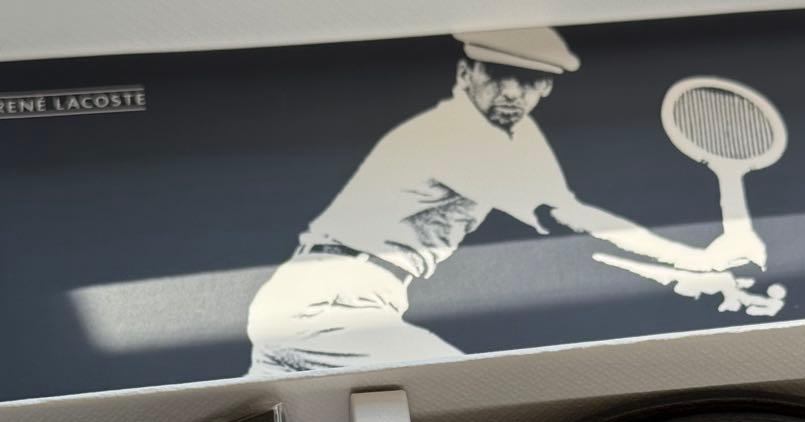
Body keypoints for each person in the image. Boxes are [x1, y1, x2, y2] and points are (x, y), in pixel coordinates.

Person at [247, 26, 748, 374]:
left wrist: (676, 276)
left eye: (526, 80)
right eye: (496, 74)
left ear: (545, 87)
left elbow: (571, 234)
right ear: (466, 74)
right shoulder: (454, 132)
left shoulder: (517, 134)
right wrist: (694, 261)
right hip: (327, 303)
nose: (510, 91)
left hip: (334, 299)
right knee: (466, 386)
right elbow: (564, 219)